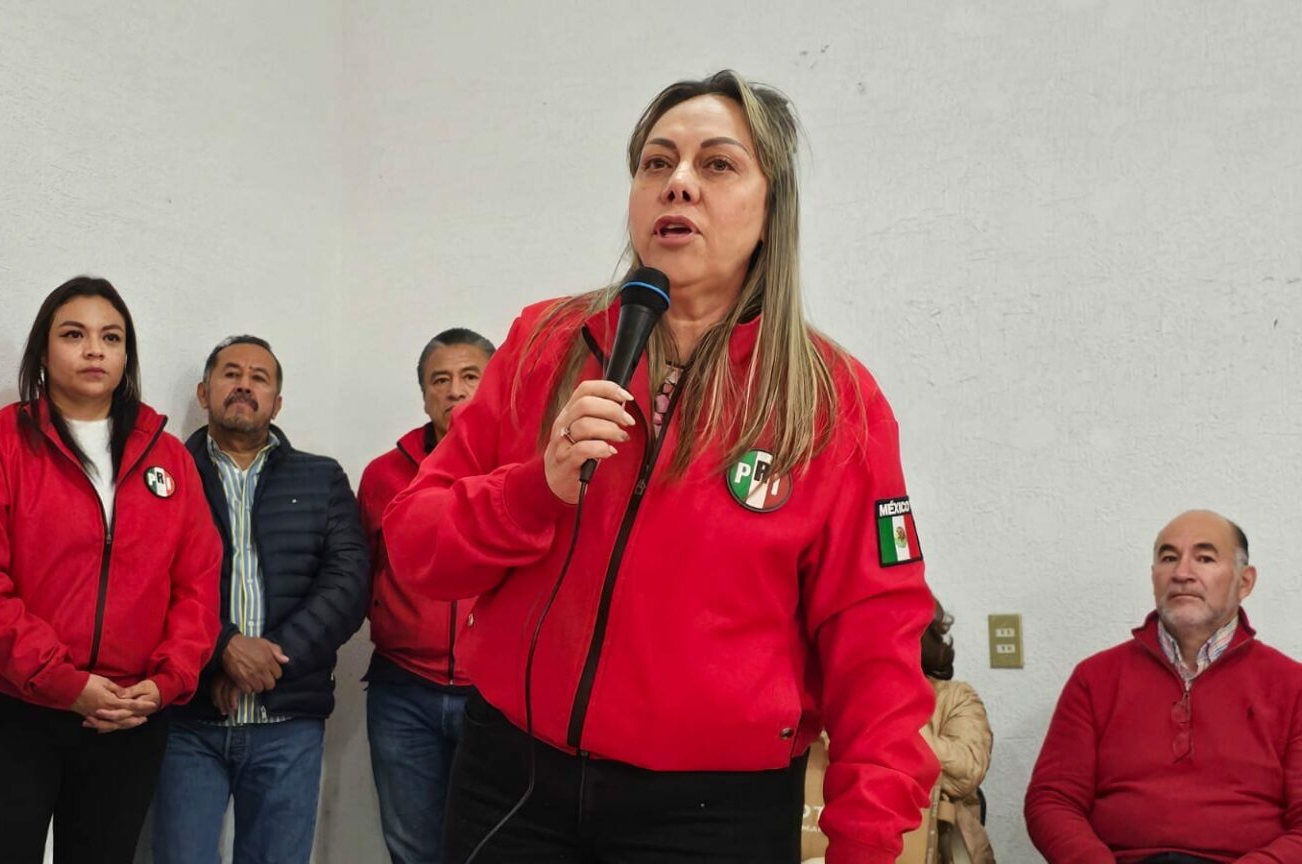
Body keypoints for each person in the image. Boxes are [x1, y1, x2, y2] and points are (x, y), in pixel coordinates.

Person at [384, 70, 939, 863]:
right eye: (656, 162)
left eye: (717, 164)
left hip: (711, 817)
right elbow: (415, 546)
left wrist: (867, 845)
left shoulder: (833, 402)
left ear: (772, 205)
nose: (677, 183)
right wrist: (534, 490)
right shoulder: (545, 344)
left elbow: (877, 653)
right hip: (511, 783)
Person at [0, 276, 222, 864]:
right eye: (74, 335)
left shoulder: (168, 458)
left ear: (126, 357)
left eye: (111, 338)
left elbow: (197, 583)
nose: (95, 350)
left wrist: (166, 681)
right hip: (10, 712)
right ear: (43, 353)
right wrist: (63, 683)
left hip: (126, 715)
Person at [154, 335, 369, 864]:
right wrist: (223, 648)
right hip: (189, 719)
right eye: (231, 373)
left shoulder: (322, 477)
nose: (244, 385)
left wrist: (266, 659)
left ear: (277, 401)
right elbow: (148, 579)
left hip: (288, 720)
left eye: (259, 377)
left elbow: (348, 581)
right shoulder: (164, 475)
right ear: (204, 392)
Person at [1025, 510, 1302, 863]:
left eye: (1204, 558)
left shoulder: (1292, 685)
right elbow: (1052, 799)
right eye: (1169, 558)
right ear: (1154, 577)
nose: (1182, 573)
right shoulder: (1094, 678)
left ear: (1244, 582)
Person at [359, 327, 495, 864]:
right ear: (423, 395)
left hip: (495, 697)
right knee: (413, 849)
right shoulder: (383, 476)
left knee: (491, 846)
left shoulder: (528, 470)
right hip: (403, 693)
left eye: (469, 377)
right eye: (439, 380)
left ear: (495, 386)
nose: (454, 390)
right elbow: (363, 572)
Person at [920, 601, 994, 864]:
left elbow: (965, 774)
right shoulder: (832, 698)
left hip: (938, 850)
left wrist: (889, 706)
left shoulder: (955, 697)